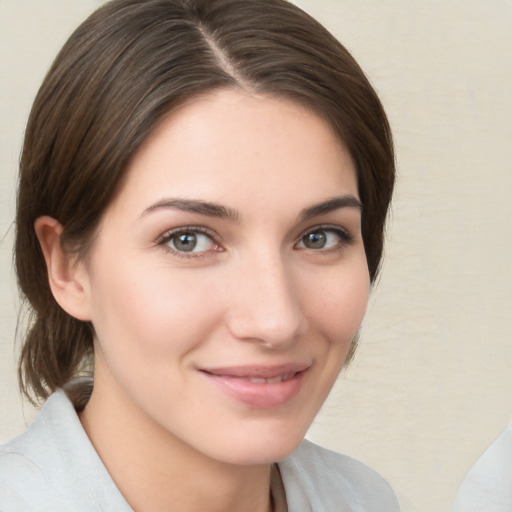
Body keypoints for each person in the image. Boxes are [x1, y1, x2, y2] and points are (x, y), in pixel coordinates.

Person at [0, 0, 399, 510]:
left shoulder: (364, 499)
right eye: (188, 239)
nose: (276, 321)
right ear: (67, 266)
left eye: (319, 237)